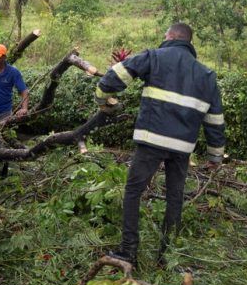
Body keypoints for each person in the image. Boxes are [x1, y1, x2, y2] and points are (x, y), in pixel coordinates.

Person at [95, 23, 226, 267]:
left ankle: (128, 251)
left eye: (165, 35)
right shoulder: (207, 75)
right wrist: (215, 156)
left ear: (172, 36)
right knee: (175, 198)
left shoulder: (154, 57)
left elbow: (117, 75)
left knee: (134, 191)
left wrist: (102, 98)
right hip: (182, 148)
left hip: (151, 140)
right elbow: (215, 120)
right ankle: (168, 257)